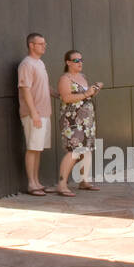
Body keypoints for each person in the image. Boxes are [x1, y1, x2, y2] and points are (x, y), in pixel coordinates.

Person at [56, 51, 103, 196]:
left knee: (86, 150)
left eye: (81, 60)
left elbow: (85, 96)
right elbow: (66, 97)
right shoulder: (65, 78)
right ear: (68, 62)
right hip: (72, 121)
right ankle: (62, 184)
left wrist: (94, 90)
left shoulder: (82, 77)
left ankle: (84, 181)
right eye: (76, 60)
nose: (80, 62)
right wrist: (87, 94)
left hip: (86, 121)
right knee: (74, 151)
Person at [18, 32, 52, 197]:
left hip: (44, 113)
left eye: (44, 43)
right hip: (34, 114)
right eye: (40, 43)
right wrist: (34, 113)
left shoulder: (40, 63)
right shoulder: (27, 64)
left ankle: (37, 181)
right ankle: (31, 184)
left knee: (38, 149)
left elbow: (42, 87)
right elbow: (25, 89)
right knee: (32, 148)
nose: (44, 46)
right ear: (31, 45)